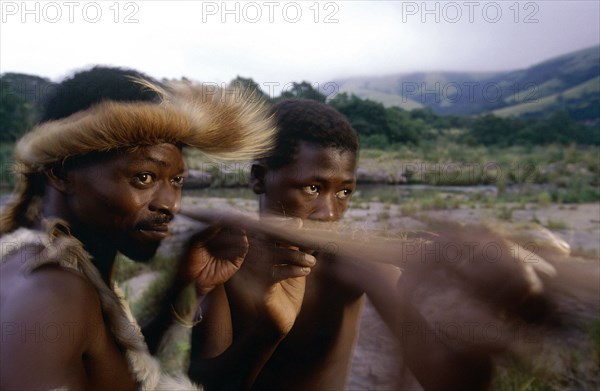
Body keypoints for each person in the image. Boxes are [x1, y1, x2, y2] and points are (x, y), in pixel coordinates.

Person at [187, 99, 496, 391]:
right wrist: (268, 331)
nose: (330, 213)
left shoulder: (357, 265)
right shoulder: (226, 262)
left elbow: (445, 378)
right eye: (312, 188)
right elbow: (207, 383)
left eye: (344, 192)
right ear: (259, 178)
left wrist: (489, 317)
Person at [0, 73, 277, 389]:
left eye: (176, 181)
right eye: (144, 178)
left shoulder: (63, 271)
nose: (169, 205)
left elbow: (119, 370)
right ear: (62, 173)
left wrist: (185, 287)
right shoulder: (53, 295)